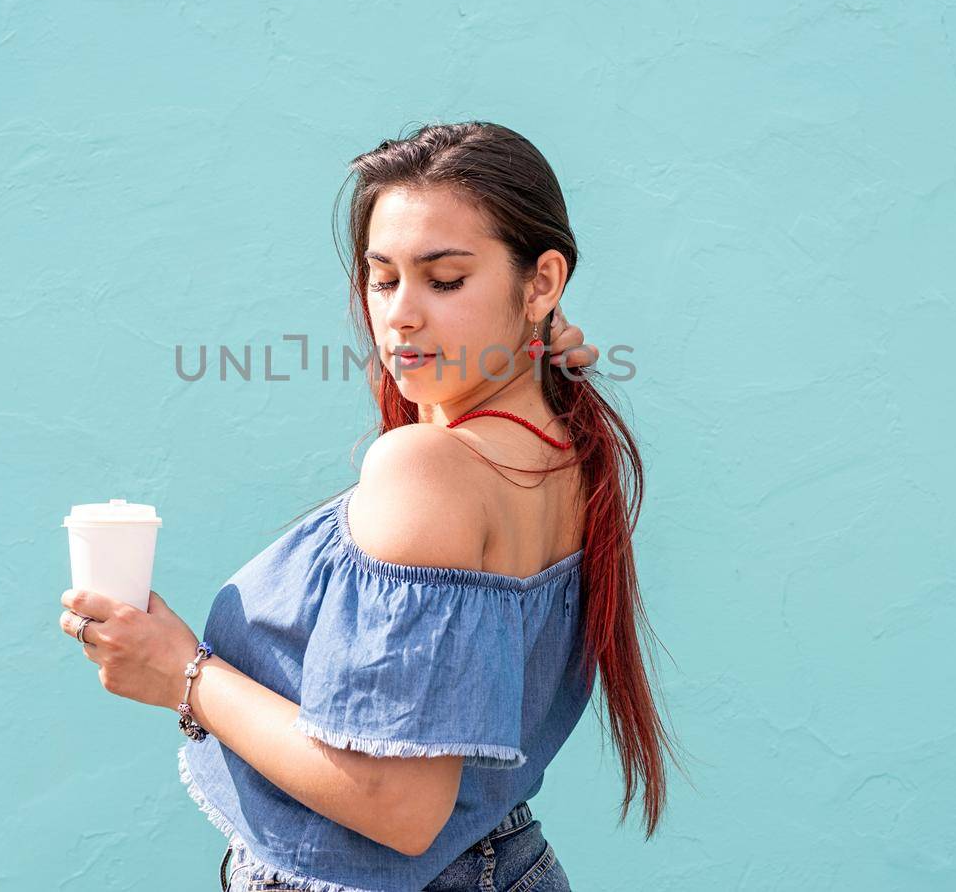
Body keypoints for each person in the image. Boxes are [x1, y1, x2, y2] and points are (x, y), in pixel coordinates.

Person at [59, 121, 684, 890]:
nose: (400, 315)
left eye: (445, 279)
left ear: (544, 280)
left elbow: (395, 804)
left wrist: (179, 672)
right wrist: (524, 340)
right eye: (383, 278)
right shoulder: (561, 445)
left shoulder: (430, 467)